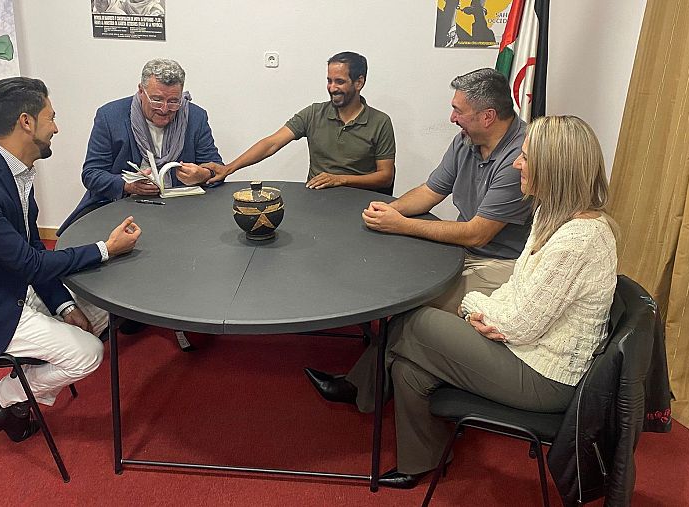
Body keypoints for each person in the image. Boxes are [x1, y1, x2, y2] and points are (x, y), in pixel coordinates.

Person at [305, 115, 618, 489]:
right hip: (525, 349)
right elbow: (518, 290)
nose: (518, 162)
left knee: (415, 321)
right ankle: (423, 460)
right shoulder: (552, 218)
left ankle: (362, 390)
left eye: (527, 157)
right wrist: (488, 312)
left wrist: (474, 308)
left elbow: (517, 324)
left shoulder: (578, 239)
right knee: (409, 368)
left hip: (544, 376)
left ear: (555, 168)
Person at [0, 77, 142, 442]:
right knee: (88, 354)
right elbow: (32, 263)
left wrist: (65, 306)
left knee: (104, 310)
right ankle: (4, 395)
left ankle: (17, 393)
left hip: (6, 287)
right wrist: (105, 248)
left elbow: (33, 253)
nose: (56, 127)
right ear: (26, 122)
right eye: (50, 117)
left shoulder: (14, 173)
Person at [361, 68, 531, 314]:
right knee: (394, 275)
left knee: (408, 300)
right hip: (464, 251)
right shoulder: (467, 139)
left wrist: (400, 225)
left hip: (501, 263)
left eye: (458, 111)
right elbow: (429, 192)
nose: (452, 118)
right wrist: (388, 210)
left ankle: (395, 350)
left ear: (488, 117)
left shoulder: (519, 158)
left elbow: (477, 234)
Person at [59, 58, 222, 235]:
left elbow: (217, 168)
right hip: (121, 211)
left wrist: (203, 173)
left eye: (174, 101)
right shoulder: (110, 117)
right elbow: (91, 174)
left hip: (181, 212)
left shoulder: (195, 117)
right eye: (157, 100)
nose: (165, 109)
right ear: (140, 91)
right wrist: (127, 185)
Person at [205, 51, 396, 195]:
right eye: (329, 80)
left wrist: (340, 180)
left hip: (360, 203)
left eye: (339, 81)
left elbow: (385, 177)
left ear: (359, 82)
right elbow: (271, 143)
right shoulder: (314, 113)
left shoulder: (380, 122)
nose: (332, 87)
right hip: (317, 200)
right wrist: (229, 168)